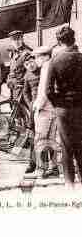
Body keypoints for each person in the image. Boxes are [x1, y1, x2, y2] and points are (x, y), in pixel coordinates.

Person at [46, 26, 82, 187]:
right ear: (73, 40)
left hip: (63, 110)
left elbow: (48, 90)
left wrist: (57, 104)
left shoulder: (55, 60)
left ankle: (69, 184)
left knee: (66, 146)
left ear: (60, 42)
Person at [32, 46, 59, 179]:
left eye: (37, 57)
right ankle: (53, 168)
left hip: (45, 109)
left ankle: (40, 169)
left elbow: (44, 91)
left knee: (41, 140)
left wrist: (38, 107)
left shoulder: (46, 68)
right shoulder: (53, 65)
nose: (36, 60)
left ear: (44, 57)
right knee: (51, 140)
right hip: (53, 109)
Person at [22, 55, 41, 174]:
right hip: (34, 108)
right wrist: (30, 104)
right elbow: (25, 92)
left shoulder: (43, 72)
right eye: (27, 64)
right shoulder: (27, 76)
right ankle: (32, 163)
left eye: (32, 62)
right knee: (33, 136)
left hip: (46, 106)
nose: (31, 65)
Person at [6, 30, 32, 100]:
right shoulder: (12, 52)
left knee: (21, 106)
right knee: (13, 105)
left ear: (22, 39)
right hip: (13, 84)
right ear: (11, 42)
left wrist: (23, 81)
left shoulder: (27, 53)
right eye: (14, 40)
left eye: (18, 39)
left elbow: (30, 70)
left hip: (21, 84)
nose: (16, 42)